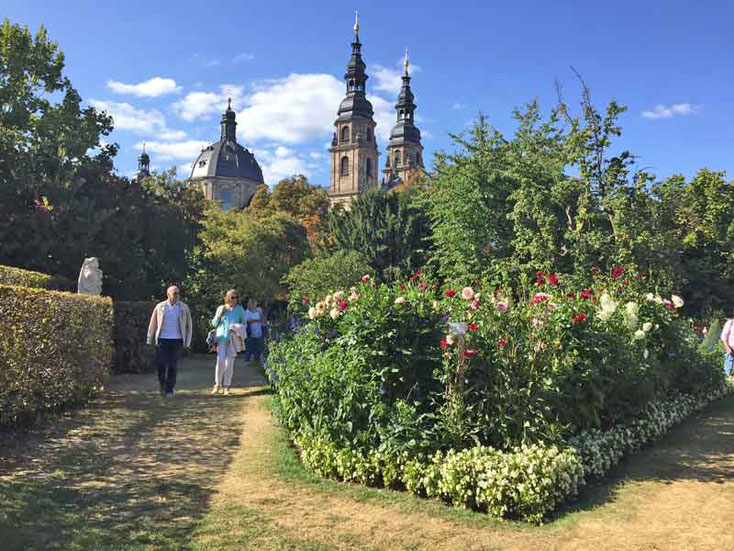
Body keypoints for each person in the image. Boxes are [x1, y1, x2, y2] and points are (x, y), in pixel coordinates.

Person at [146, 285, 193, 397]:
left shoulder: (184, 307)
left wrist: (187, 342)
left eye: (178, 293)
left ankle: (169, 389)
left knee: (173, 365)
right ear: (168, 295)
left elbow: (189, 326)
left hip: (177, 340)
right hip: (162, 339)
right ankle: (163, 385)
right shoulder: (160, 307)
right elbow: (153, 324)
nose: (177, 295)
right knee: (161, 364)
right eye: (174, 293)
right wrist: (149, 338)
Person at [212, 289, 247, 395]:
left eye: (236, 297)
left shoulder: (240, 309)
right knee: (220, 361)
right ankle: (217, 384)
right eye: (232, 297)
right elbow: (214, 324)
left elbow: (244, 323)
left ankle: (227, 387)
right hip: (221, 338)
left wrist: (236, 328)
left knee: (230, 363)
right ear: (227, 297)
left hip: (233, 338)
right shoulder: (221, 308)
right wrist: (219, 316)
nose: (234, 299)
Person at [244, 298, 265, 363]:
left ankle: (256, 358)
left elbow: (260, 318)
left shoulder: (256, 312)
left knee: (256, 346)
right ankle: (247, 358)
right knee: (249, 345)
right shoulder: (247, 312)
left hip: (258, 330)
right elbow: (247, 320)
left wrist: (261, 320)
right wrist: (256, 320)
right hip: (250, 331)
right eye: (255, 304)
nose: (256, 305)